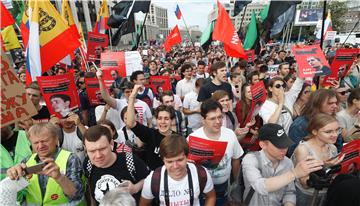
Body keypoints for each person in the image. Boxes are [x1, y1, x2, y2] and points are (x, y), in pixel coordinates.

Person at [242, 123, 324, 206]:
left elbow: (289, 192)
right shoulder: (251, 159)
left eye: (286, 144)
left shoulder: (287, 163)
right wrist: (294, 173)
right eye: (279, 146)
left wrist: (289, 203)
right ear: (263, 145)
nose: (284, 149)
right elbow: (261, 187)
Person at [6, 123, 84, 205]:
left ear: (56, 139)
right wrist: (13, 180)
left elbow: (77, 195)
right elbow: (20, 197)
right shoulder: (26, 161)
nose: (40, 146)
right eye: (36, 143)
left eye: (45, 141)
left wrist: (59, 178)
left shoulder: (70, 158)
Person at [188, 99, 244, 205]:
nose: (218, 122)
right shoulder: (192, 139)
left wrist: (235, 181)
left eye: (220, 117)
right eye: (212, 118)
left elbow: (236, 158)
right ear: (203, 120)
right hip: (201, 188)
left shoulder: (230, 135)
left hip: (223, 186)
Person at [140, 134, 216, 206]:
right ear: (163, 160)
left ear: (187, 157)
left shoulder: (201, 174)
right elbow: (143, 204)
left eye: (180, 160)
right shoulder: (153, 179)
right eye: (170, 161)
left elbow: (211, 197)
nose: (175, 166)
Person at [83, 125, 150, 205]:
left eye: (102, 149)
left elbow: (150, 179)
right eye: (92, 151)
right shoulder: (88, 164)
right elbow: (91, 190)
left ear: (111, 144)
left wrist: (135, 188)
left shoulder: (130, 161)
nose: (98, 155)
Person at [291, 114, 344, 206]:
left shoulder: (332, 148)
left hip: (325, 194)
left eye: (337, 130)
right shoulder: (303, 149)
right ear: (315, 131)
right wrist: (323, 169)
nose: (335, 135)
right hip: (307, 196)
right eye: (328, 132)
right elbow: (304, 183)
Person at [126, 84, 176, 170]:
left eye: (166, 118)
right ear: (156, 120)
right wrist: (132, 98)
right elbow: (130, 123)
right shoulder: (150, 134)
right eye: (160, 118)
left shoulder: (177, 139)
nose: (163, 122)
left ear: (171, 121)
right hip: (153, 178)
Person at [287, 89, 342, 157]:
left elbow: (339, 147)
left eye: (336, 103)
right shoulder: (300, 124)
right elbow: (292, 153)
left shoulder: (333, 121)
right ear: (317, 103)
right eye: (330, 103)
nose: (335, 106)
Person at [235, 83, 262, 152]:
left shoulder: (255, 102)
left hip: (255, 133)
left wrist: (256, 130)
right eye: (249, 92)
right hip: (244, 134)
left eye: (252, 91)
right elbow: (240, 123)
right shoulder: (239, 105)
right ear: (244, 93)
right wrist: (253, 132)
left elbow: (257, 119)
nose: (251, 94)